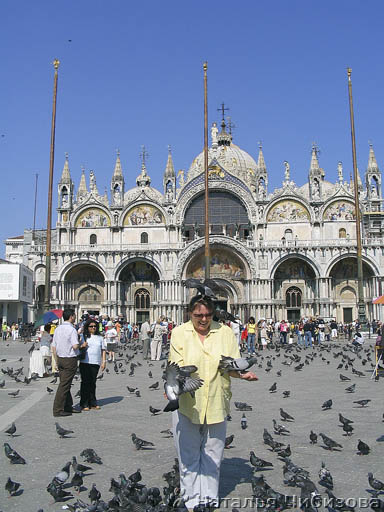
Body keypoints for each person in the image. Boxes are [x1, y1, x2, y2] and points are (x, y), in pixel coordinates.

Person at [170, 294, 258, 509]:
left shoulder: (225, 333)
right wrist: (173, 385)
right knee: (188, 456)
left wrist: (242, 374)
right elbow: (176, 366)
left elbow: (231, 365)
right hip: (188, 403)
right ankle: (191, 502)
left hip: (217, 400)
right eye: (198, 315)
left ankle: (208, 500)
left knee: (213, 455)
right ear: (189, 313)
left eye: (208, 315)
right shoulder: (179, 333)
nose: (203, 319)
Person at [51, 309, 83, 417]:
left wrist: (56, 361)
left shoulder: (58, 329)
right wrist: (81, 343)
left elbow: (54, 347)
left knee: (66, 383)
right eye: (74, 316)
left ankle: (68, 406)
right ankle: (57, 410)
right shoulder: (72, 330)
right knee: (64, 385)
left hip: (60, 359)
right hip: (69, 360)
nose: (75, 317)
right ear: (71, 317)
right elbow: (75, 346)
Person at [79, 319, 106, 411]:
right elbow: (76, 347)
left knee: (93, 383)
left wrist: (104, 361)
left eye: (95, 326)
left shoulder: (100, 337)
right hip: (85, 362)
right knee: (85, 383)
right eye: (91, 326)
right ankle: (84, 403)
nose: (93, 328)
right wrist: (82, 346)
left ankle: (93, 402)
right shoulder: (83, 336)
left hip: (95, 362)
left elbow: (103, 350)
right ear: (87, 327)